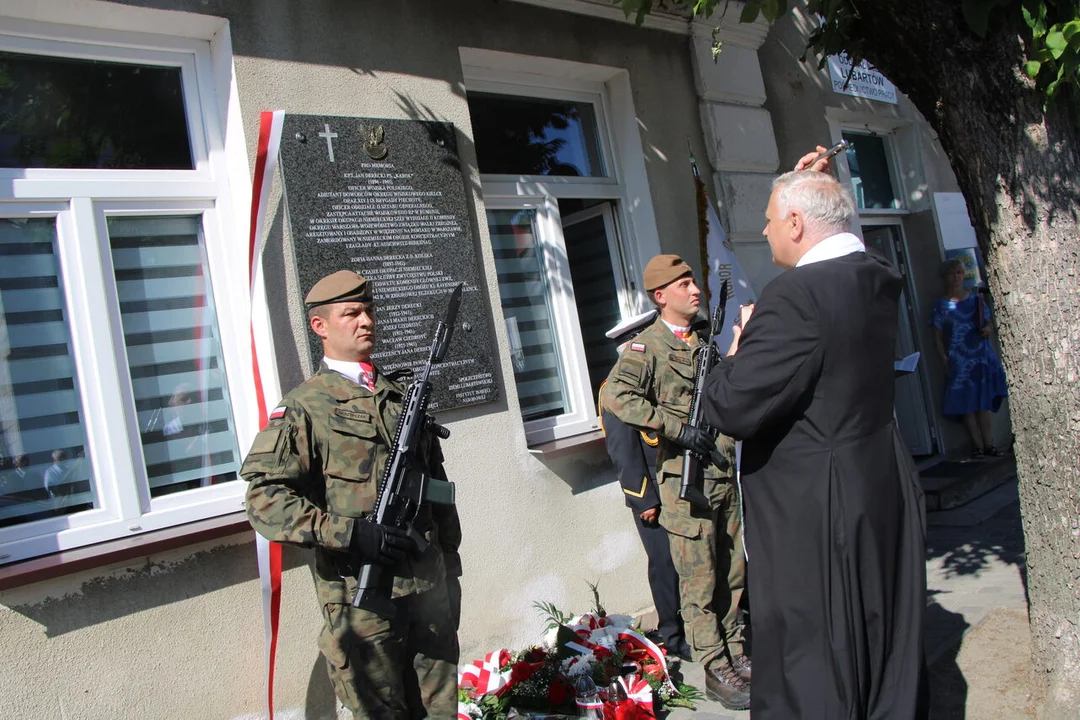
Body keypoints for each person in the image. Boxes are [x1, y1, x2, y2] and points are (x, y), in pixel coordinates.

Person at [702, 162, 927, 719]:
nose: (766, 230)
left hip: (816, 508)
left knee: (817, 655)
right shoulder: (875, 271)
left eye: (771, 219)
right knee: (878, 636)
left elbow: (729, 407)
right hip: (873, 480)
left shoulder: (795, 295)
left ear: (797, 223)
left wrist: (739, 347)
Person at [242, 270, 462, 719]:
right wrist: (350, 534)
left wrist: (451, 567)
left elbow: (435, 488)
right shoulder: (306, 406)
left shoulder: (400, 397)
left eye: (368, 311)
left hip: (429, 588)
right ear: (320, 326)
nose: (365, 321)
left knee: (440, 711)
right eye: (351, 313)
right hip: (363, 600)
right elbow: (264, 499)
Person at [602, 256, 750, 711]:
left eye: (693, 282)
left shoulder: (701, 339)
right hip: (684, 484)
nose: (695, 289)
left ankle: (737, 653)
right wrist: (675, 428)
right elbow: (615, 397)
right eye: (684, 284)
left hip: (721, 474)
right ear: (660, 295)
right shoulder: (645, 349)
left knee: (732, 572)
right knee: (699, 581)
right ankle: (713, 665)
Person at [597, 310, 690, 663]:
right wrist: (642, 499)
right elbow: (622, 450)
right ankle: (672, 632)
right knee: (665, 561)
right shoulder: (616, 388)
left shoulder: (660, 378)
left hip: (680, 482)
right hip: (651, 490)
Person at [931, 258, 1009, 458]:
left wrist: (987, 329)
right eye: (951, 273)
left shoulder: (976, 300)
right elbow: (938, 337)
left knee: (983, 401)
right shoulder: (941, 305)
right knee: (966, 402)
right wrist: (944, 360)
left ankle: (989, 443)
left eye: (959, 272)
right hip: (959, 359)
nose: (956, 277)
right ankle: (977, 446)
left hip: (981, 356)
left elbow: (990, 324)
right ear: (945, 277)